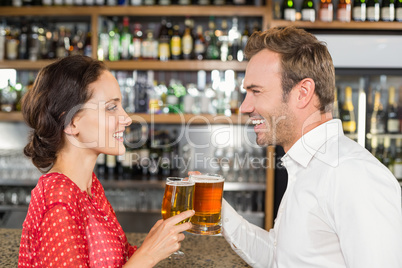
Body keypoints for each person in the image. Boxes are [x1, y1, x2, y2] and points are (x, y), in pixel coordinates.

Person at [220, 26, 402, 267]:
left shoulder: (354, 175)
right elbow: (280, 257)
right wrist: (218, 211)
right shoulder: (305, 165)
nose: (244, 107)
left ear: (303, 93)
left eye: (256, 91)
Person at [18, 55, 194, 267]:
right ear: (72, 122)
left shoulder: (88, 187)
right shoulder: (59, 199)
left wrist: (153, 242)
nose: (127, 119)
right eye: (111, 108)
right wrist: (148, 255)